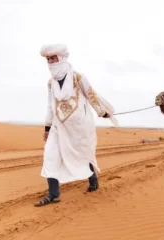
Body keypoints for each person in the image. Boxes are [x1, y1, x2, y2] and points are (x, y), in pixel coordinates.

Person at [35, 44, 118, 207]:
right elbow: (50, 105)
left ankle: (93, 180)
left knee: (83, 154)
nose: (51, 62)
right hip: (58, 126)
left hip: (79, 126)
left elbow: (91, 95)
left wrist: (102, 112)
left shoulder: (78, 77)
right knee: (50, 155)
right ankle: (53, 194)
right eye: (48, 59)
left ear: (62, 58)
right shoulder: (51, 83)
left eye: (53, 58)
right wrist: (47, 127)